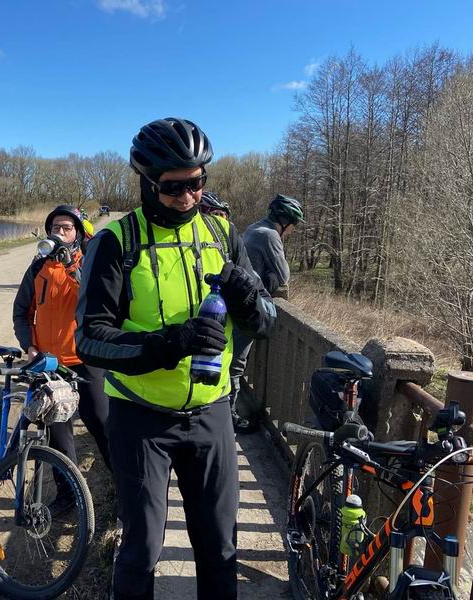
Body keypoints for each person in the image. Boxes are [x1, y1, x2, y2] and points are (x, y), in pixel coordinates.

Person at [75, 117, 276, 600]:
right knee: (142, 549)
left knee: (219, 548)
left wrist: (249, 298)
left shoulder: (222, 233)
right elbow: (90, 340)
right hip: (141, 419)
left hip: (211, 415)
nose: (188, 195)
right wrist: (172, 342)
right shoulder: (116, 242)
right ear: (146, 184)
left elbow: (264, 323)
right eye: (172, 187)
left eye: (197, 182)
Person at [12, 205, 112, 500]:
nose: (60, 232)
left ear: (78, 234)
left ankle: (123, 485)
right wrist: (28, 344)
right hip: (47, 363)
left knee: (101, 421)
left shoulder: (89, 262)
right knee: (58, 434)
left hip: (84, 359)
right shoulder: (37, 267)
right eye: (55, 227)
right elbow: (21, 312)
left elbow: (98, 301)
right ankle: (68, 496)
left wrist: (72, 267)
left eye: (67, 228)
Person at [229, 194, 304, 431]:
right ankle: (228, 417)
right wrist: (271, 278)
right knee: (236, 363)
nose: (291, 232)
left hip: (235, 298)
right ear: (285, 222)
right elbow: (283, 276)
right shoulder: (270, 235)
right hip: (248, 306)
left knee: (230, 358)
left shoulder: (254, 227)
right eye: (293, 226)